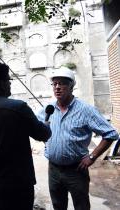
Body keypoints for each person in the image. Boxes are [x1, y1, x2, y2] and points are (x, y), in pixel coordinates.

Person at [0, 62, 52, 210]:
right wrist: (47, 123)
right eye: (8, 80)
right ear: (1, 84)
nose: (10, 84)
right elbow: (43, 134)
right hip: (18, 184)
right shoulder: (18, 108)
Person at [38, 66, 119, 210]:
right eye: (55, 84)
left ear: (71, 86)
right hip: (54, 169)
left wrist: (92, 157)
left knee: (81, 206)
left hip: (75, 170)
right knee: (58, 205)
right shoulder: (48, 109)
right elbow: (36, 127)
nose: (57, 87)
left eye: (62, 83)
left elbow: (111, 134)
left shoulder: (85, 110)